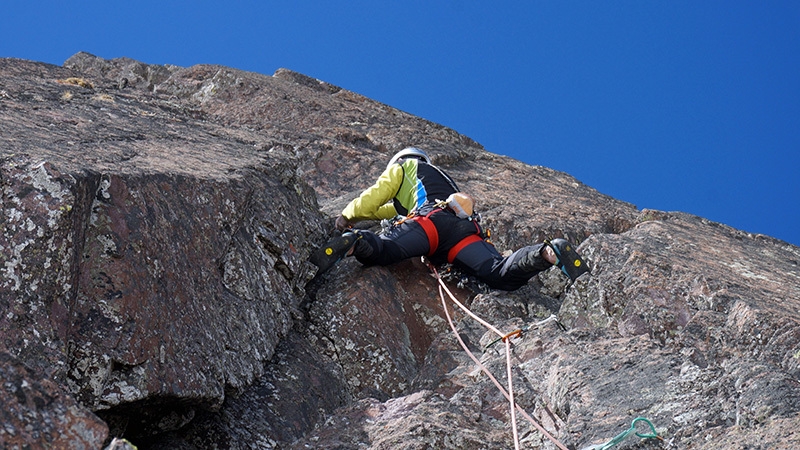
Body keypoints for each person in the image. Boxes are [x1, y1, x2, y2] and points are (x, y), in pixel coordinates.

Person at [312, 147, 588, 290]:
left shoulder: (404, 168)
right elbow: (387, 211)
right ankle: (548, 253)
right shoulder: (443, 180)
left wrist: (348, 217)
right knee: (498, 272)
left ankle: (353, 242)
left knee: (383, 250)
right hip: (462, 232)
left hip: (428, 225)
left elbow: (374, 198)